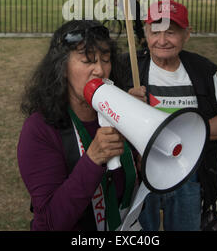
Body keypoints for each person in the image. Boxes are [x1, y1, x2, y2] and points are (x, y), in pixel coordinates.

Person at [121, 0, 217, 231]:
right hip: (141, 175)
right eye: (155, 32)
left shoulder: (201, 70)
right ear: (146, 32)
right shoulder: (128, 68)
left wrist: (178, 138)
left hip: (188, 175)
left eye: (171, 33)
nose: (162, 41)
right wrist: (126, 104)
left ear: (187, 34)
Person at [17, 19, 139, 231]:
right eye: (87, 60)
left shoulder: (120, 113)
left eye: (106, 59)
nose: (100, 70)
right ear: (62, 67)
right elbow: (50, 222)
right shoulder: (39, 130)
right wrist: (92, 159)